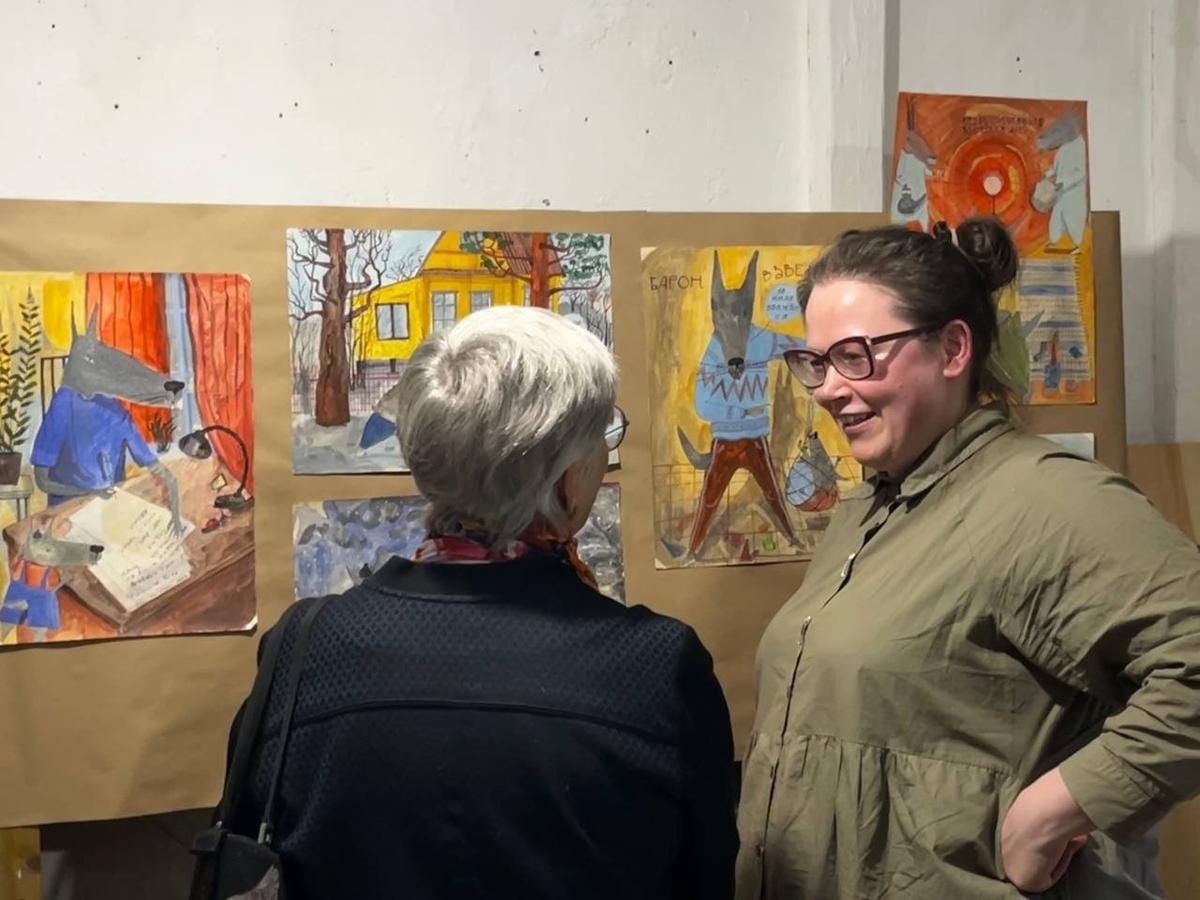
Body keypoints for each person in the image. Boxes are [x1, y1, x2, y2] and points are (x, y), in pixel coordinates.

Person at [736, 218, 1200, 899]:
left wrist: (1058, 809)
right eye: (816, 362)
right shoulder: (873, 507)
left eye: (857, 355)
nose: (829, 388)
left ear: (953, 348)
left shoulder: (1043, 499)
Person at [224, 306, 738, 900]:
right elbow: (704, 878)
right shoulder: (656, 666)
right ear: (566, 479)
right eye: (604, 435)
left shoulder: (302, 650)